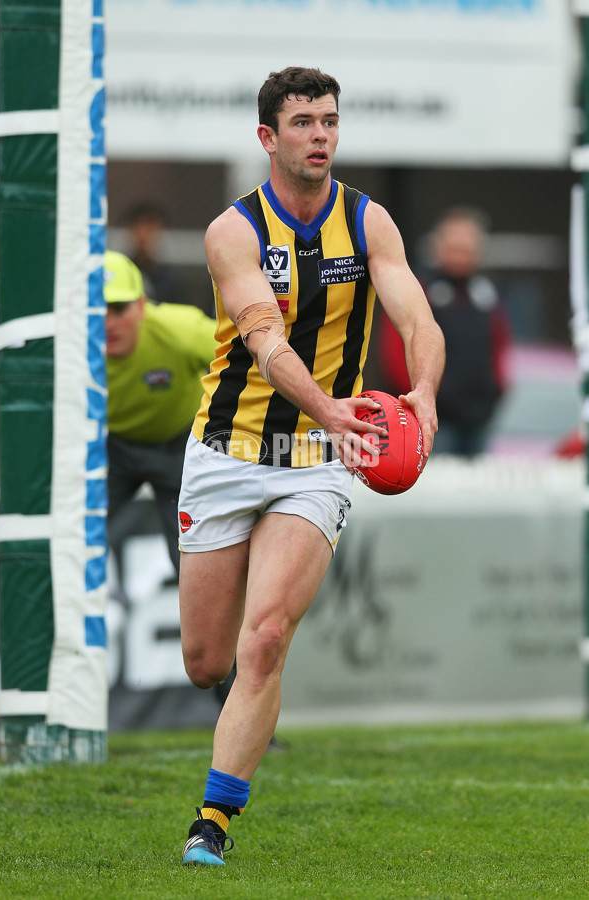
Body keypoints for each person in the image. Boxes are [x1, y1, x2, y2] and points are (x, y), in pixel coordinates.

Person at [177, 66, 445, 867]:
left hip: (317, 463)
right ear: (268, 137)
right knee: (206, 661)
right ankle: (223, 747)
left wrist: (423, 391)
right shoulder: (233, 231)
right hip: (226, 453)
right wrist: (332, 406)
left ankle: (212, 825)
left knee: (265, 638)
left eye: (330, 120)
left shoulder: (369, 222)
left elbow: (415, 313)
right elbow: (265, 340)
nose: (320, 135)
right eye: (302, 123)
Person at [105, 248, 216, 580]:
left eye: (119, 308)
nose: (107, 322)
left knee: (192, 556)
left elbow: (248, 358)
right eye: (95, 310)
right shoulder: (66, 347)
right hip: (111, 449)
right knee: (73, 540)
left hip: (179, 446)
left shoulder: (180, 330)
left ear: (142, 306)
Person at [379, 207, 511, 457]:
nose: (461, 256)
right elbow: (395, 349)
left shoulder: (486, 294)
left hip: (479, 416)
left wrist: (496, 389)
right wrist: (417, 396)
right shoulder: (418, 289)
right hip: (432, 417)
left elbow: (501, 346)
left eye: (467, 249)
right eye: (454, 248)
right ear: (437, 248)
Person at [122, 202, 185, 305]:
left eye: (149, 227)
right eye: (137, 226)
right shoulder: (121, 273)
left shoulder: (170, 281)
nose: (142, 234)